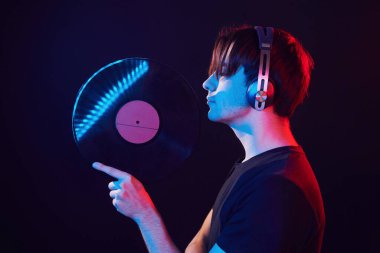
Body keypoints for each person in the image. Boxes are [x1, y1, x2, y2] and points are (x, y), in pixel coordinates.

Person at [92, 24, 325, 253]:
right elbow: (200, 244)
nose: (207, 83)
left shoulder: (276, 190)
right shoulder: (255, 169)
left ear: (260, 89)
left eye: (223, 72)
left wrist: (144, 215)